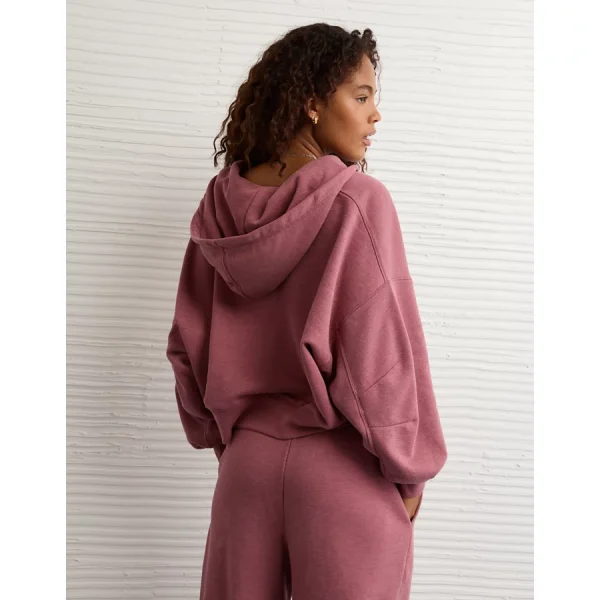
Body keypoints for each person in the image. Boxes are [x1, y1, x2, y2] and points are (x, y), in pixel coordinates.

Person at [166, 22, 448, 600]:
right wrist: (410, 471)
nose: (375, 116)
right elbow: (381, 356)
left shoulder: (216, 214)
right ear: (313, 104)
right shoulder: (358, 201)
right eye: (361, 97)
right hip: (342, 475)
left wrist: (234, 443)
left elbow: (186, 347)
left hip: (245, 475)